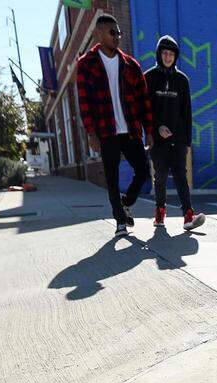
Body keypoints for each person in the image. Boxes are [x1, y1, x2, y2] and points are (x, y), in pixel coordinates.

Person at [75, 14, 153, 236]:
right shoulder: (86, 65)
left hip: (130, 130)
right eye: (112, 32)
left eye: (119, 33)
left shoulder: (131, 65)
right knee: (112, 177)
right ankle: (120, 220)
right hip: (106, 131)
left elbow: (143, 100)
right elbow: (85, 102)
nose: (117, 37)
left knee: (142, 171)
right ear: (99, 34)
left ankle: (126, 201)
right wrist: (91, 133)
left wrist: (149, 129)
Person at [144, 35, 204, 231]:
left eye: (171, 54)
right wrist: (155, 129)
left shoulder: (182, 80)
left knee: (180, 174)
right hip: (157, 140)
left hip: (178, 138)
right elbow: (145, 110)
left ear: (176, 56)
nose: (168, 57)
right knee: (160, 175)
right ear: (159, 54)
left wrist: (187, 141)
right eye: (165, 53)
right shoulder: (149, 78)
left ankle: (188, 215)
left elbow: (187, 113)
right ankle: (160, 210)